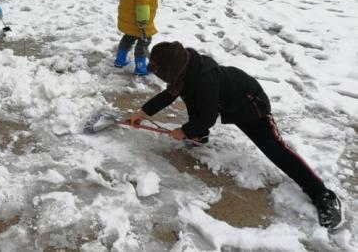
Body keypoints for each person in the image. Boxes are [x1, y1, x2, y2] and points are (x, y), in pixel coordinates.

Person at [128, 41, 343, 230]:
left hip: (249, 104)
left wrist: (184, 131)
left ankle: (322, 194)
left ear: (173, 70)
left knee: (275, 149)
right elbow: (169, 95)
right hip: (222, 100)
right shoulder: (186, 70)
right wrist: (143, 113)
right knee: (194, 101)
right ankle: (199, 136)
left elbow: (208, 117)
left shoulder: (204, 80)